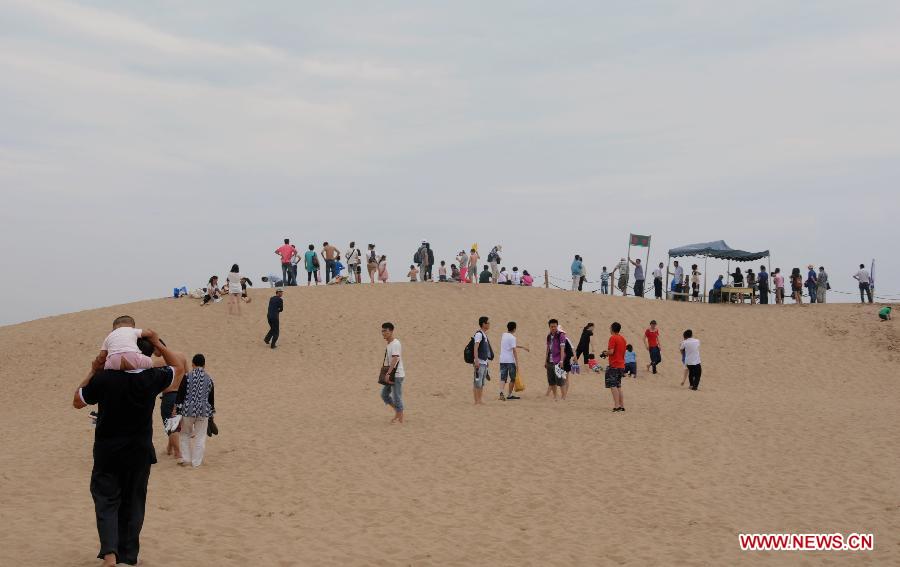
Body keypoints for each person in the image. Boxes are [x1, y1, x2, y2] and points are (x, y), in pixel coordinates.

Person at [73, 331, 186, 567]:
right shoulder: (152, 377)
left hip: (107, 452)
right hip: (139, 452)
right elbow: (179, 367)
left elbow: (77, 400)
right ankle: (128, 556)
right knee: (134, 503)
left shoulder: (104, 379)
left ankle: (110, 555)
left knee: (106, 501)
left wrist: (94, 368)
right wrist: (158, 343)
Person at [177, 354, 215, 467]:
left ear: (192, 364)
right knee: (200, 437)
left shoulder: (187, 376)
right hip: (203, 411)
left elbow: (181, 394)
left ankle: (186, 459)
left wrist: (177, 409)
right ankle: (196, 463)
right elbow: (211, 398)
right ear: (204, 365)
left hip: (188, 410)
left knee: (185, 434)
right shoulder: (209, 379)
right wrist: (212, 413)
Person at [379, 322, 405, 423]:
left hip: (397, 375)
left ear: (391, 331)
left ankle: (400, 417)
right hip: (392, 374)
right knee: (384, 394)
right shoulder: (390, 344)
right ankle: (397, 411)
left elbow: (395, 358)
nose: (383, 333)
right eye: (382, 331)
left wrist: (388, 373)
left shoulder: (395, 343)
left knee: (396, 396)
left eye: (385, 331)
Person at [499, 321, 529, 400]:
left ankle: (501, 393)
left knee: (503, 378)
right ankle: (509, 395)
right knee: (512, 378)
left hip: (502, 360)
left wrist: (522, 347)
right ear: (514, 329)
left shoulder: (503, 335)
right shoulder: (513, 338)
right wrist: (517, 363)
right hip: (510, 361)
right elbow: (514, 350)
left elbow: (511, 345)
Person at [602, 322, 627, 411]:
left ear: (612, 329)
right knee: (618, 386)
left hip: (614, 365)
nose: (609, 329)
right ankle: (622, 405)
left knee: (613, 385)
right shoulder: (623, 339)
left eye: (610, 328)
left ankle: (617, 406)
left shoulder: (613, 338)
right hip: (621, 365)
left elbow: (611, 351)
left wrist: (605, 353)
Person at [544, 319, 570, 401]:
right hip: (549, 361)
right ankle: (555, 396)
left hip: (558, 361)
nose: (553, 328)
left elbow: (562, 349)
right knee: (551, 381)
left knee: (560, 380)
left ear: (557, 326)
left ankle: (563, 397)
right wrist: (545, 360)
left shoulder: (561, 335)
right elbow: (548, 348)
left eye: (555, 326)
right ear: (549, 327)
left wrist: (561, 361)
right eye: (552, 326)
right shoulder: (548, 336)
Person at [472, 316, 493, 405]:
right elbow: (475, 348)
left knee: (482, 383)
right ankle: (476, 401)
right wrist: (476, 360)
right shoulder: (479, 334)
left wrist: (487, 361)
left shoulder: (484, 334)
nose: (489, 324)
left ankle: (479, 400)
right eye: (488, 322)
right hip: (479, 362)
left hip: (484, 362)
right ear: (483, 324)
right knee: (477, 382)